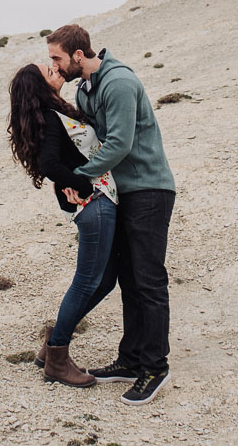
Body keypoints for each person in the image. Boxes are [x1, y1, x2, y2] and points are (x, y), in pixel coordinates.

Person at [46, 23, 176, 406]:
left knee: (149, 280)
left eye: (57, 58)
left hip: (148, 190)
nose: (54, 65)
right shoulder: (86, 89)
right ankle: (131, 360)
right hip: (122, 193)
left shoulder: (117, 82)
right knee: (129, 280)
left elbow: (118, 143)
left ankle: (155, 367)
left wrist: (78, 178)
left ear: (79, 56)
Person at [6, 61, 119, 388]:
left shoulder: (52, 113)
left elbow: (62, 161)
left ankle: (53, 343)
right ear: (40, 87)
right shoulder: (52, 118)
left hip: (97, 203)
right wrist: (82, 186)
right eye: (49, 72)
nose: (56, 71)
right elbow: (51, 163)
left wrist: (71, 183)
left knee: (106, 280)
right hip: (95, 204)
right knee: (86, 282)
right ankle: (57, 358)